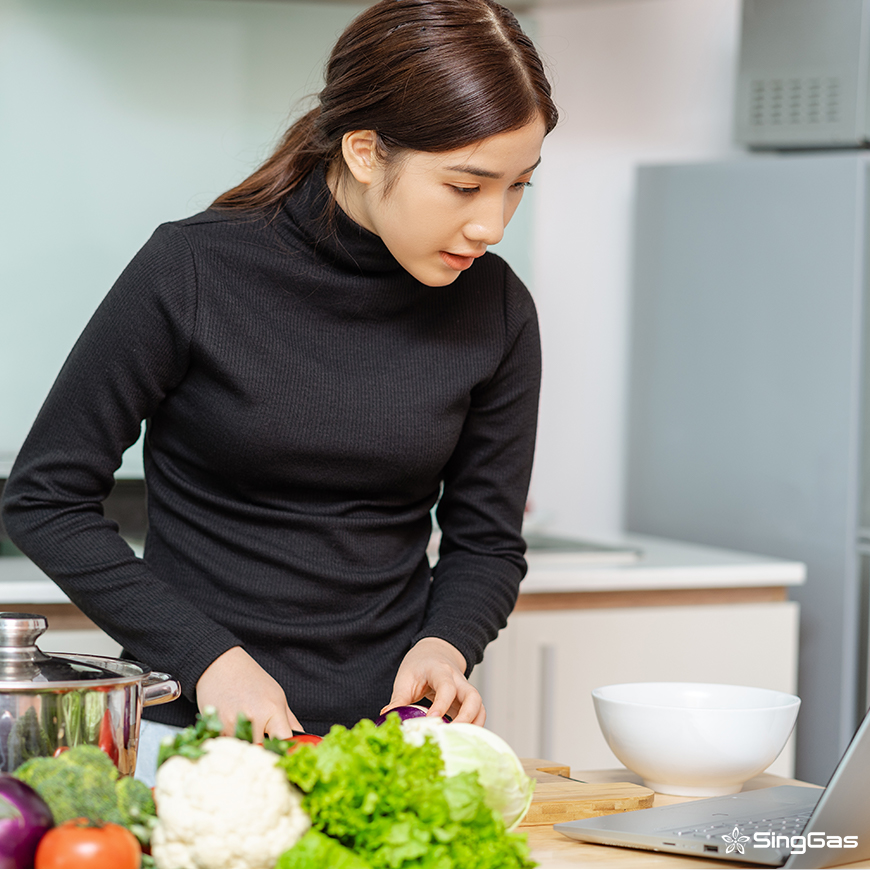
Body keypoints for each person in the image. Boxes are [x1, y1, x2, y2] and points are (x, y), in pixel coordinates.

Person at [0, 0, 558, 768]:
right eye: (466, 187)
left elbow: (486, 542)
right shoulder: (192, 270)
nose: (493, 224)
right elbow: (44, 498)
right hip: (193, 738)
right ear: (365, 152)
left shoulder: (496, 308)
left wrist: (447, 642)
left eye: (518, 185)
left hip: (385, 748)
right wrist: (208, 661)